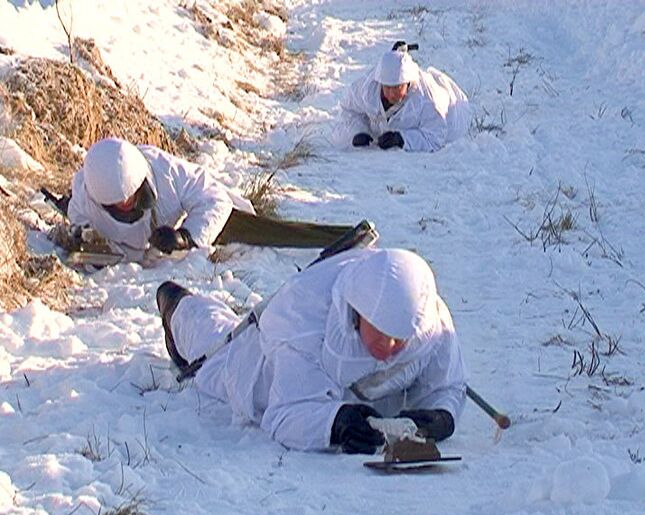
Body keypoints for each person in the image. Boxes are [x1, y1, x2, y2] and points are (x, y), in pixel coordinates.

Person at [156, 248, 467, 453]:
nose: (389, 348)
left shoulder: (430, 323)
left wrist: (442, 415)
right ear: (358, 312)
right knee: (214, 353)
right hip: (260, 367)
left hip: (349, 386)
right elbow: (283, 415)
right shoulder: (302, 322)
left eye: (400, 340)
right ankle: (176, 305)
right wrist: (334, 422)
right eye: (381, 333)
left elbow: (447, 385)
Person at [67, 138, 353, 263]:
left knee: (273, 234)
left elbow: (213, 198)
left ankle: (342, 237)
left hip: (203, 224)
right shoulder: (85, 194)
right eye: (120, 203)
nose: (128, 204)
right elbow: (78, 223)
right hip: (139, 253)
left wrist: (187, 237)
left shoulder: (166, 171)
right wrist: (88, 242)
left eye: (131, 196)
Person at [335, 41, 471, 153]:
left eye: (397, 88)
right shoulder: (367, 88)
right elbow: (348, 110)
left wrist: (402, 139)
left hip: (454, 112)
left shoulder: (429, 100)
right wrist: (359, 131)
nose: (391, 94)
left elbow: (435, 137)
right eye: (387, 87)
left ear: (407, 84)